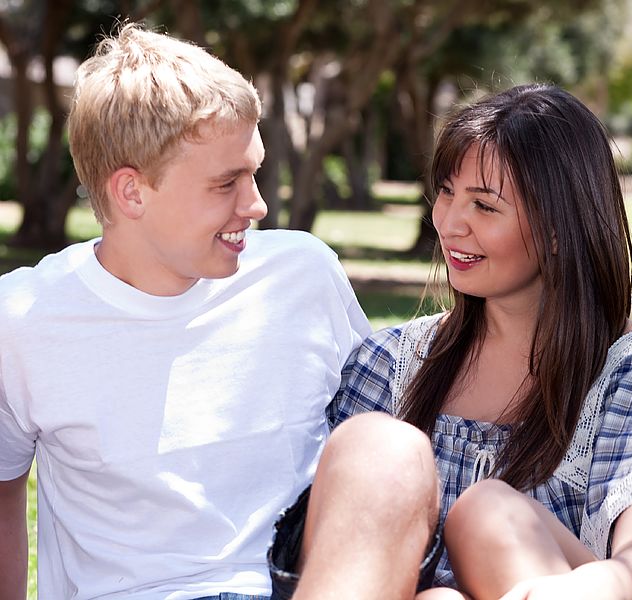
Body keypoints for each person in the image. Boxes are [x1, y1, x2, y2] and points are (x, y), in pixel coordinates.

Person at [0, 22, 441, 600]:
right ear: (131, 192)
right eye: (226, 182)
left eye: (254, 171)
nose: (256, 204)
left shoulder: (302, 274)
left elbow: (380, 457)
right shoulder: (25, 319)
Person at [328, 83, 632, 600]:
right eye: (447, 192)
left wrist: (588, 588)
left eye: (483, 205)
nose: (450, 223)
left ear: (555, 226)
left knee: (489, 513)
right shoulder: (391, 364)